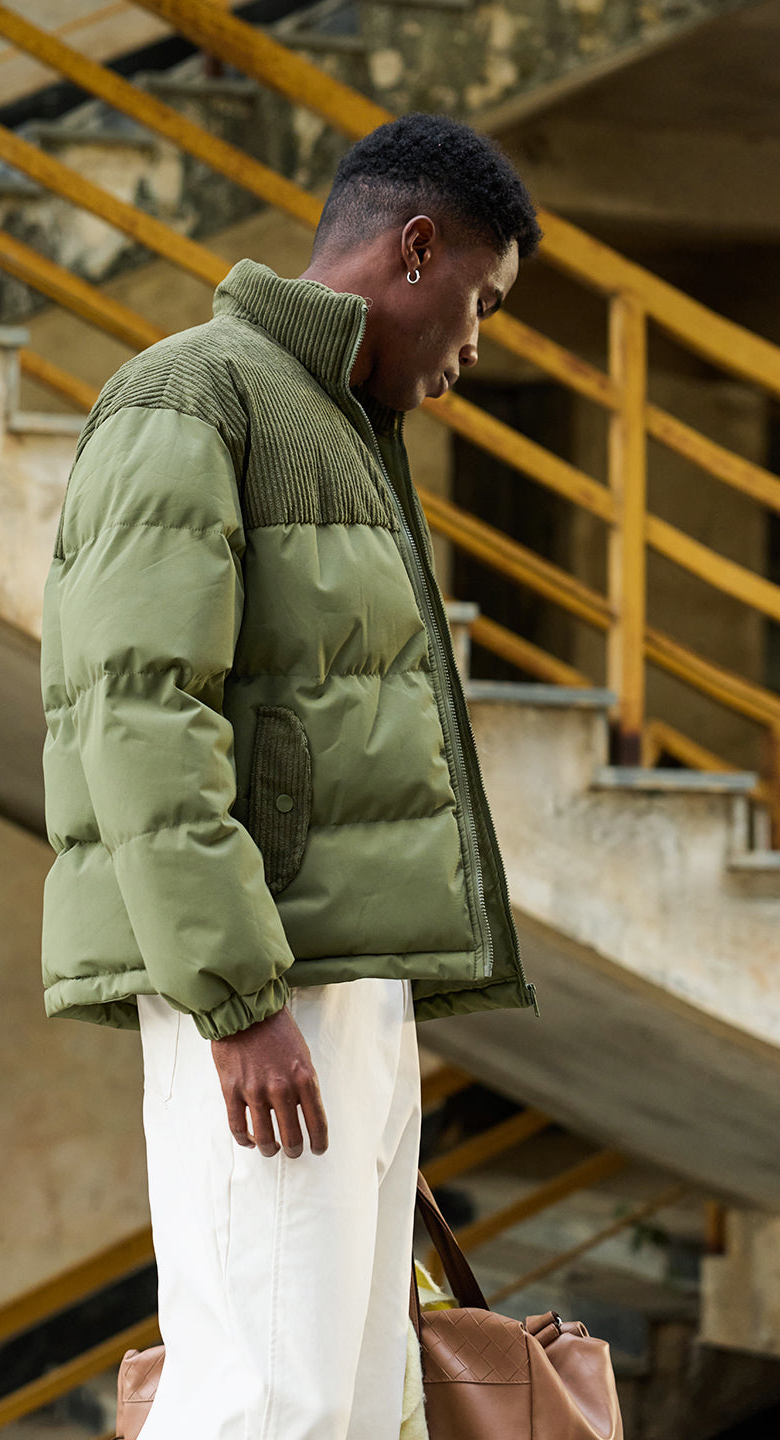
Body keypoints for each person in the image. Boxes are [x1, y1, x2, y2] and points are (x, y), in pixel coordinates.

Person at [40, 112, 541, 1440]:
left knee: (358, 1403)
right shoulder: (193, 393)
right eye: (483, 302)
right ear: (416, 250)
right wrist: (238, 998)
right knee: (271, 1402)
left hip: (347, 988)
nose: (476, 345)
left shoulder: (338, 422)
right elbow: (139, 709)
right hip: (269, 991)